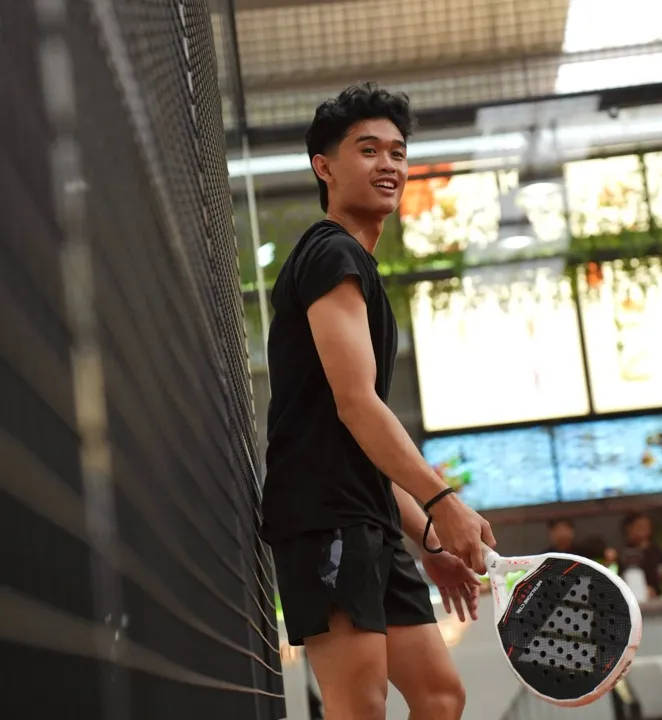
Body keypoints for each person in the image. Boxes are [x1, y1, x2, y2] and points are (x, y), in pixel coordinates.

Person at [260, 83, 496, 720]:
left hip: (367, 517)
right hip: (323, 515)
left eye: (397, 152)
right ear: (325, 167)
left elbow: (362, 442)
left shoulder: (359, 269)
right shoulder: (330, 252)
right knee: (359, 705)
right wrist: (444, 502)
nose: (388, 163)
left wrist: (428, 541)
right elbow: (356, 405)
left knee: (440, 697)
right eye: (368, 150)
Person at [617, 512, 662, 598]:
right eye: (640, 527)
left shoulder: (655, 549)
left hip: (656, 595)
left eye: (647, 526)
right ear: (629, 528)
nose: (644, 530)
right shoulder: (624, 552)